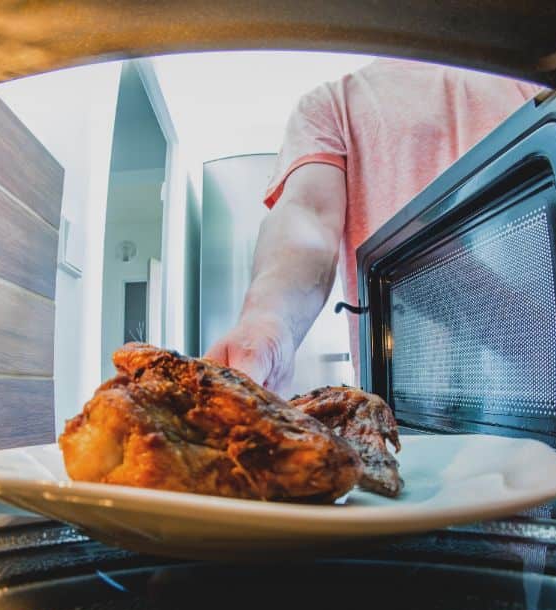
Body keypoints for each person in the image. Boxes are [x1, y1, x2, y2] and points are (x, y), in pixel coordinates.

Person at [204, 59, 538, 396]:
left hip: (547, 388)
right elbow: (308, 214)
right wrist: (267, 319)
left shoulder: (536, 77)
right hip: (404, 413)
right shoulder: (333, 104)